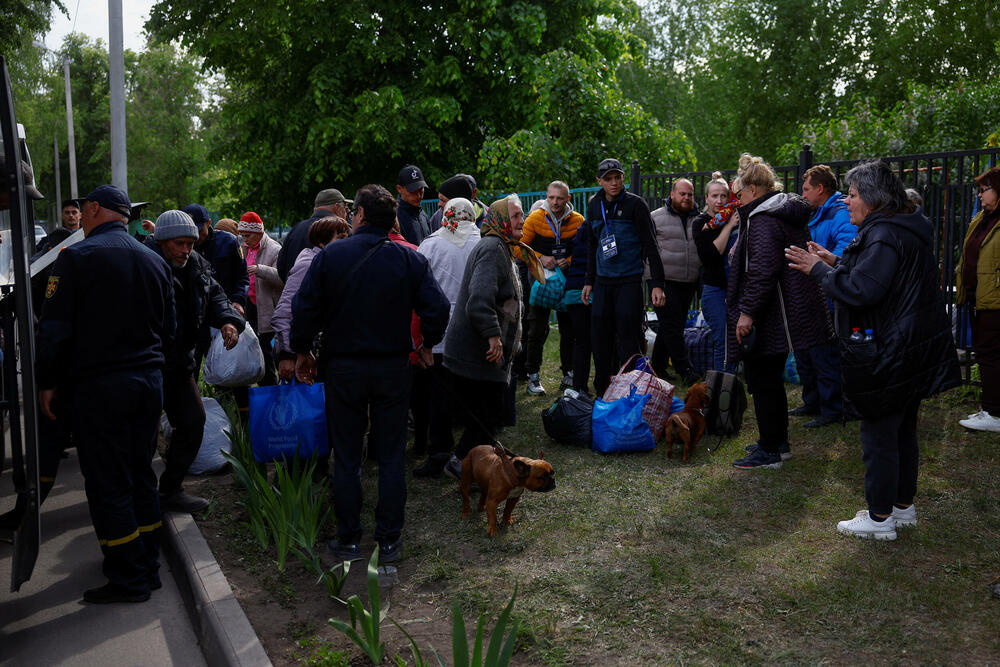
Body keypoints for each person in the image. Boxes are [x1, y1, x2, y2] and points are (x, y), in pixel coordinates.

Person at [787, 160, 961, 539]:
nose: (846, 201)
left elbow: (864, 291)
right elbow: (875, 276)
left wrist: (819, 271)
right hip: (909, 346)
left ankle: (880, 519)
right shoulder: (903, 228)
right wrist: (834, 261)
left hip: (890, 349)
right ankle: (902, 508)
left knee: (879, 434)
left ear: (871, 197)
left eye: (851, 194)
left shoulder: (883, 234)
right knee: (902, 431)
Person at [291, 184, 449, 564]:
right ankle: (389, 539)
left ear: (359, 213)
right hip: (393, 367)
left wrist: (302, 351)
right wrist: (428, 344)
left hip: (343, 367)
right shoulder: (409, 259)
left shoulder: (330, 257)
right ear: (391, 218)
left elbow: (304, 307)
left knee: (346, 455)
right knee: (392, 455)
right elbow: (438, 308)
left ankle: (348, 538)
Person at [35, 184, 175, 603]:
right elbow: (169, 329)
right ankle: (147, 563)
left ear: (93, 210)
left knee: (108, 482)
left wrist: (47, 382)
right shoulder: (154, 258)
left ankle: (128, 577)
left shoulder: (75, 259)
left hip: (101, 387)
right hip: (148, 383)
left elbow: (54, 332)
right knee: (139, 475)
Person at [726, 154, 831, 470]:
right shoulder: (780, 212)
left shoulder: (762, 218)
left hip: (772, 312)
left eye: (740, 195)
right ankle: (777, 442)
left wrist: (746, 313)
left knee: (763, 379)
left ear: (754, 191)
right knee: (769, 378)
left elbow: (762, 270)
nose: (738, 202)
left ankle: (770, 449)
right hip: (783, 309)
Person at [148, 210, 245, 513]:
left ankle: (171, 489)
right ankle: (140, 496)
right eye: (179, 244)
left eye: (190, 244)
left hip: (179, 364)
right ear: (162, 241)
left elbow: (215, 294)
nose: (186, 250)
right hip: (147, 364)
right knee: (143, 435)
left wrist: (228, 320)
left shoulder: (197, 264)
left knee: (193, 422)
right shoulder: (145, 264)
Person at [443, 195, 541, 479]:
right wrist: (494, 337)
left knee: (487, 415)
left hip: (485, 354)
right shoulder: (492, 249)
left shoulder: (502, 247)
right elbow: (479, 301)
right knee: (486, 416)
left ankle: (473, 469)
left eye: (521, 215)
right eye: (515, 216)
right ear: (500, 220)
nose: (521, 220)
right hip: (479, 354)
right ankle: (459, 464)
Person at [582, 158, 666, 397]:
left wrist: (657, 284)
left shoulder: (636, 205)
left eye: (617, 177)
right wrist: (589, 280)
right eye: (608, 179)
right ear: (599, 181)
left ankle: (631, 390)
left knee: (628, 337)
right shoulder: (593, 205)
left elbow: (651, 245)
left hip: (629, 280)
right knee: (599, 337)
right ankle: (602, 391)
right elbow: (592, 245)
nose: (614, 183)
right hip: (602, 282)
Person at [412, 197, 482, 477]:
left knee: (438, 396)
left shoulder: (431, 244)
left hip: (439, 331)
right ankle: (473, 454)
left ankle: (440, 453)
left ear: (445, 214)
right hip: (474, 329)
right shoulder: (482, 242)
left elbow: (418, 288)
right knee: (473, 393)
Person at [791, 164, 856, 427]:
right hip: (813, 293)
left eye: (806, 189)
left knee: (825, 353)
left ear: (820, 189)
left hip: (828, 294)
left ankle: (831, 409)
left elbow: (846, 252)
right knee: (807, 352)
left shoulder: (839, 213)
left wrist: (818, 260)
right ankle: (813, 402)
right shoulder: (818, 213)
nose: (802, 194)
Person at [520, 181, 586, 395]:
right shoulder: (535, 218)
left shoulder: (578, 221)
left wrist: (569, 259)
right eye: (551, 197)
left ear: (568, 199)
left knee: (570, 330)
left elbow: (585, 248)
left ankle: (568, 374)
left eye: (560, 198)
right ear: (546, 197)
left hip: (568, 282)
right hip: (541, 283)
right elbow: (520, 248)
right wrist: (541, 258)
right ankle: (533, 377)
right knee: (537, 330)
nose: (555, 202)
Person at [273, 217, 351, 378]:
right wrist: (288, 355)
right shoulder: (308, 264)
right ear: (322, 241)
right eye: (340, 238)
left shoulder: (331, 263)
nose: (346, 243)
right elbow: (284, 311)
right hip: (306, 356)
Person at [956, 166, 1000, 432]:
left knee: (991, 355)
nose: (981, 195)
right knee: (985, 354)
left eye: (985, 190)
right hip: (978, 298)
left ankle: (995, 414)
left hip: (995, 301)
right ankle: (989, 407)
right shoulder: (983, 218)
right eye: (980, 190)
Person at [648, 178, 701, 383]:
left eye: (690, 194)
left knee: (673, 325)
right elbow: (648, 252)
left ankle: (658, 367)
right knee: (671, 325)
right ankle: (685, 369)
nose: (686, 198)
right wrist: (654, 283)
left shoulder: (699, 218)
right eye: (682, 194)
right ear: (672, 195)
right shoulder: (656, 218)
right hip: (664, 280)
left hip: (688, 280)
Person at [693, 173, 740, 373]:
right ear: (706, 198)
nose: (719, 201)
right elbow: (713, 254)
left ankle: (731, 384)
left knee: (735, 339)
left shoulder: (736, 215)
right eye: (714, 196)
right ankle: (721, 387)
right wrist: (728, 227)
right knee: (723, 339)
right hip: (714, 290)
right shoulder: (700, 223)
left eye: (723, 196)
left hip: (736, 289)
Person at [238, 212, 283, 386]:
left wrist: (260, 270)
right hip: (251, 307)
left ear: (258, 232)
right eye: (242, 235)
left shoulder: (274, 249)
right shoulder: (245, 248)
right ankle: (265, 389)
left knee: (268, 352)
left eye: (247, 235)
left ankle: (274, 389)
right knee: (259, 352)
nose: (244, 239)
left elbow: (283, 277)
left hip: (268, 310)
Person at [275, 189, 353, 282]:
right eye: (345, 207)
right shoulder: (343, 231)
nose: (347, 211)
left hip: (294, 292)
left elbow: (281, 266)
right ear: (336, 207)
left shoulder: (296, 229)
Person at [184, 203, 249, 314]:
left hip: (227, 309)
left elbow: (242, 276)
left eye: (199, 231)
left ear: (209, 223)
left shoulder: (229, 242)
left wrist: (238, 300)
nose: (196, 236)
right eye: (191, 231)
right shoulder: (184, 247)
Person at [396, 164, 431, 246]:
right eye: (413, 192)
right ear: (399, 189)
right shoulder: (394, 217)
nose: (418, 196)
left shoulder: (423, 214)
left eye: (421, 190)